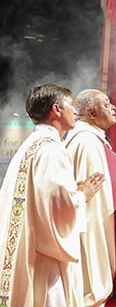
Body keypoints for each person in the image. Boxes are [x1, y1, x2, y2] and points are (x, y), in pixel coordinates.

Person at [0, 83, 105, 307]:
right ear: (57, 109)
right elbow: (58, 209)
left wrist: (72, 192)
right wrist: (81, 196)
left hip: (27, 248)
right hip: (45, 259)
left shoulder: (30, 145)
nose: (75, 111)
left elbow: (46, 197)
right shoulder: (52, 150)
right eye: (70, 105)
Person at [64, 89, 116, 307]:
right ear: (90, 112)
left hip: (103, 222)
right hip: (91, 228)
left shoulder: (93, 140)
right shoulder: (86, 142)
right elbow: (87, 196)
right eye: (106, 104)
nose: (113, 107)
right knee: (91, 287)